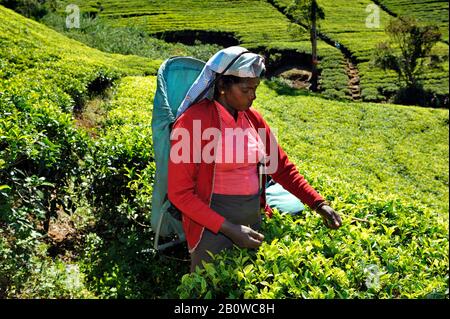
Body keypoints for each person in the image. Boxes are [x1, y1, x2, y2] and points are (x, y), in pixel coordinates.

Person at [168, 46, 342, 272]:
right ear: (222, 86)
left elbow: (281, 169)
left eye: (255, 88)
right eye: (246, 89)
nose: (253, 95)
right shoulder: (193, 122)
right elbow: (179, 193)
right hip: (210, 225)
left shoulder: (252, 119)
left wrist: (318, 204)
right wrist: (229, 229)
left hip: (252, 218)